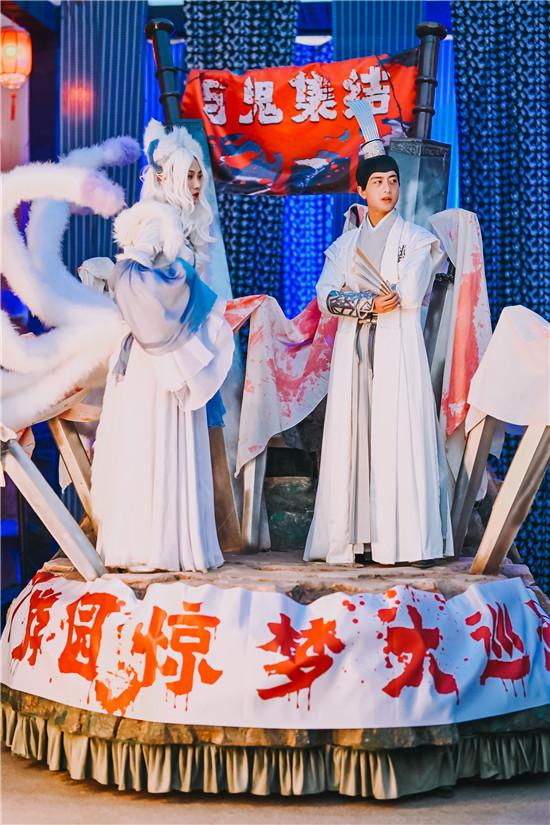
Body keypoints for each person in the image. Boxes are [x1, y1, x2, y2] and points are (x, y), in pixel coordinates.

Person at [304, 101, 453, 566]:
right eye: (378, 182)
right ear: (362, 190)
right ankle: (356, 539)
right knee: (355, 438)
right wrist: (365, 302)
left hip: (396, 348)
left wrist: (364, 297)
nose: (387, 189)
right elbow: (325, 295)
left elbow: (408, 294)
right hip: (356, 350)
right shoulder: (344, 245)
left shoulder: (418, 240)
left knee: (397, 435)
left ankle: (403, 541)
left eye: (393, 181)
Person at [91, 119, 233, 572]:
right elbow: (127, 277)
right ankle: (148, 546)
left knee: (173, 444)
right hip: (155, 356)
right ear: (165, 176)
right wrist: (176, 295)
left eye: (198, 175)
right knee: (151, 446)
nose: (196, 184)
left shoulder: (180, 224)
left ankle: (174, 544)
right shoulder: (156, 220)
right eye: (187, 175)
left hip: (171, 348)